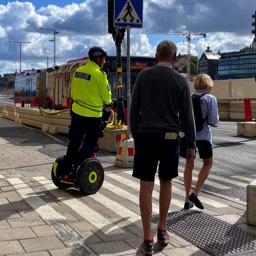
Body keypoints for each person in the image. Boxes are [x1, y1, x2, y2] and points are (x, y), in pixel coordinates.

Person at [130, 40, 196, 255]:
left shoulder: (143, 76)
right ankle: (163, 229)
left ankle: (147, 238)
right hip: (170, 137)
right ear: (175, 58)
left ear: (156, 55)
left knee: (146, 185)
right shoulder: (180, 81)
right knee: (166, 182)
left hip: (146, 136)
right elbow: (187, 116)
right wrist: (191, 144)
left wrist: (135, 134)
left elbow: (134, 109)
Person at [62, 46, 112, 178]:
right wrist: (108, 105)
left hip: (77, 114)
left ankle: (67, 167)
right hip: (93, 117)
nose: (105, 61)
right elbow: (107, 98)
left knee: (74, 141)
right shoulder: (100, 74)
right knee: (91, 144)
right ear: (98, 58)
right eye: (104, 59)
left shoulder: (78, 71)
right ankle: (79, 166)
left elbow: (72, 93)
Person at [182, 74, 219, 210]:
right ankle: (195, 193)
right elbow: (214, 121)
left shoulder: (189, 97)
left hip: (188, 136)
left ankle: (186, 198)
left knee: (189, 163)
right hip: (203, 136)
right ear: (208, 85)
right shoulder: (210, 99)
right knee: (208, 162)